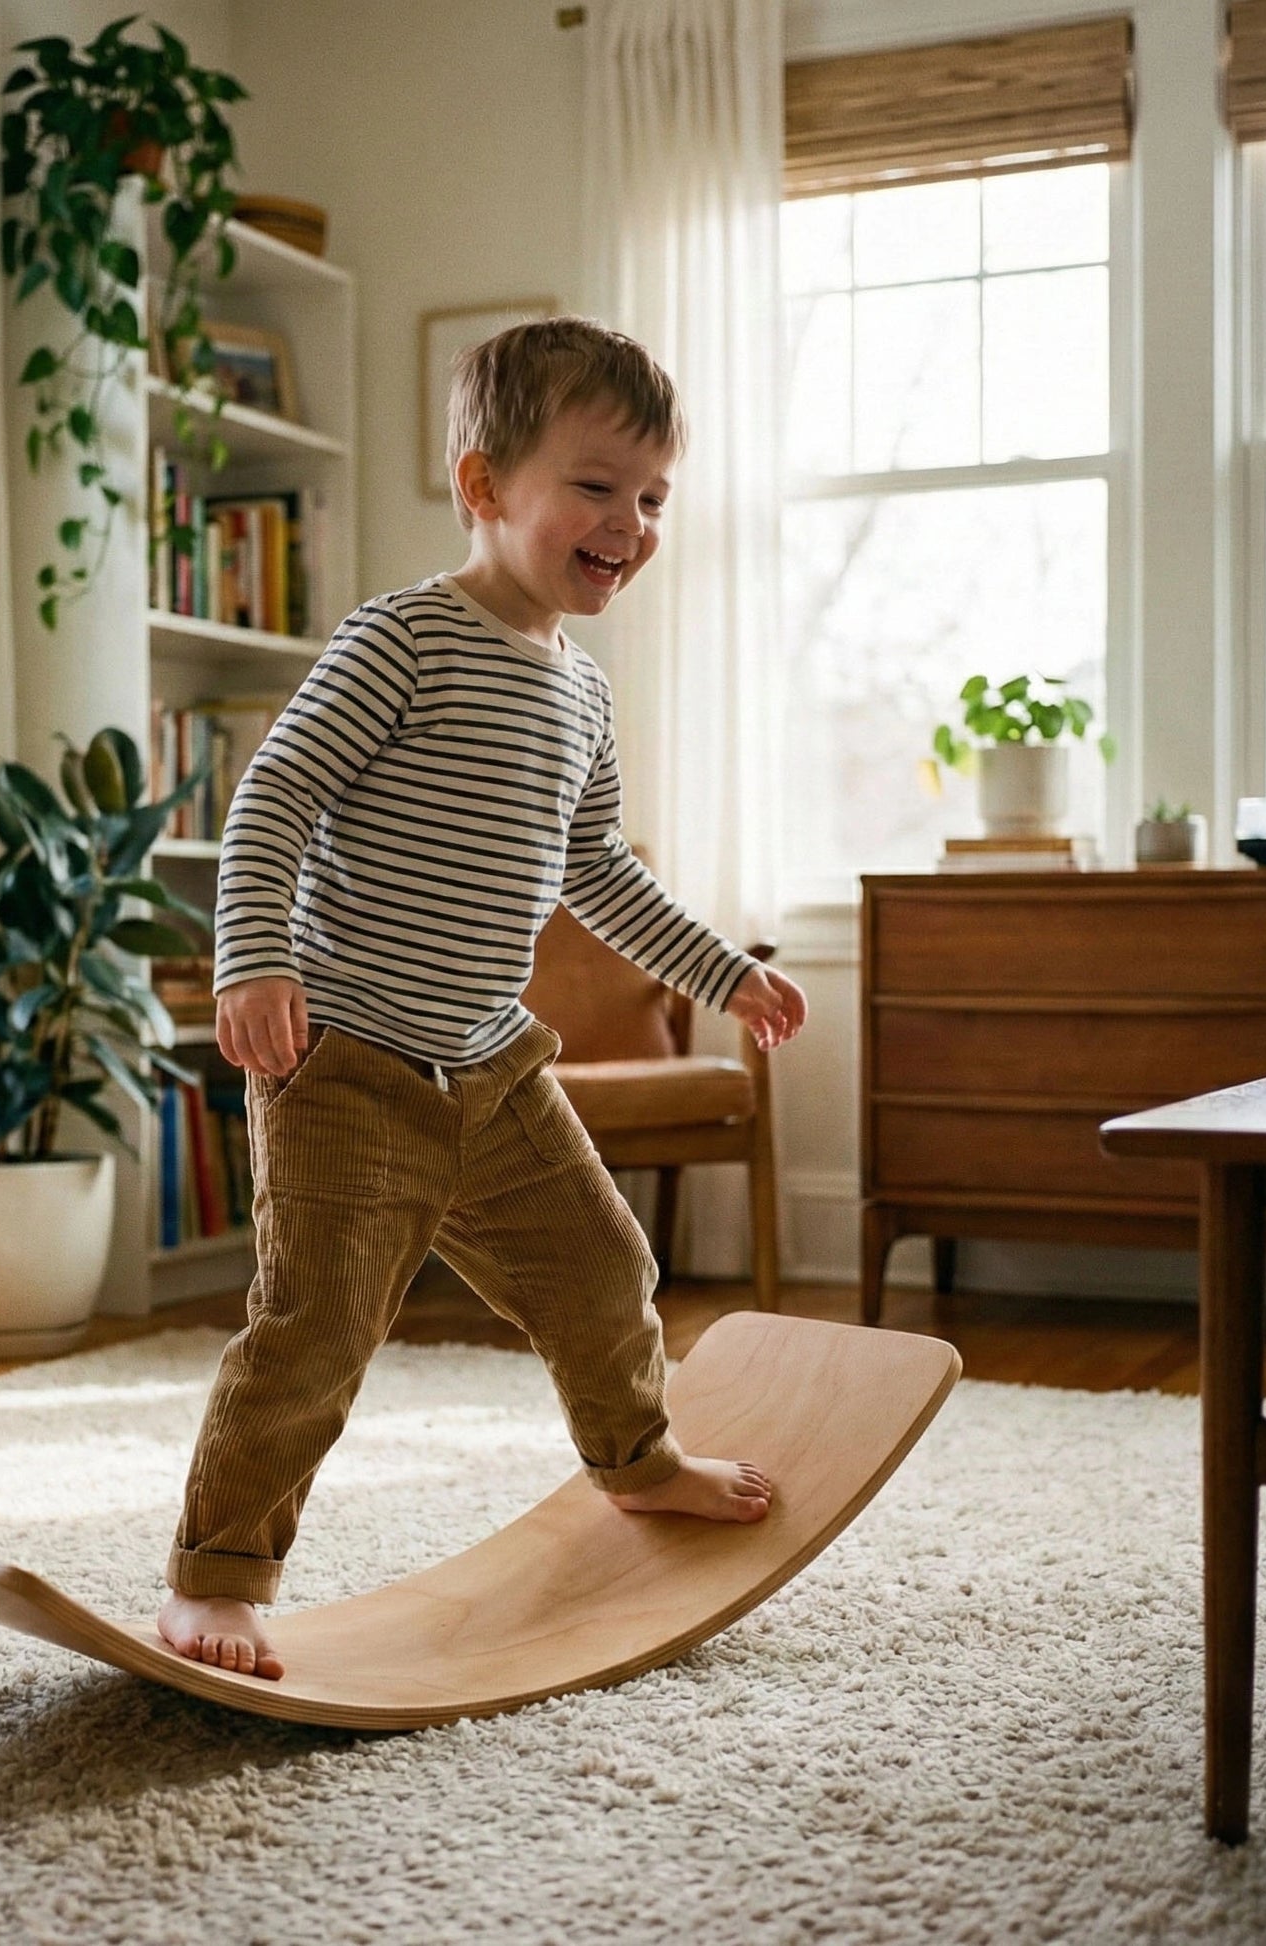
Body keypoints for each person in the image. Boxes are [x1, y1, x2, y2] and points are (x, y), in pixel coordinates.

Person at [157, 316, 809, 1680]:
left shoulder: (580, 696)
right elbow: (274, 794)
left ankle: (634, 1458)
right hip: (345, 1067)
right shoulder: (403, 639)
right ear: (482, 487)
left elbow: (599, 874)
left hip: (492, 1069)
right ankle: (217, 1577)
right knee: (315, 1327)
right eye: (594, 485)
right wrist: (253, 958)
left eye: (650, 498)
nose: (627, 522)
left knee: (606, 1270)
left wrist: (722, 972)